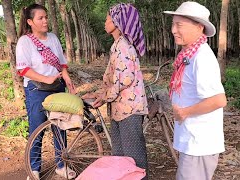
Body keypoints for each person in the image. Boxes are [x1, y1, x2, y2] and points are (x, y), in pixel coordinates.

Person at [83, 3, 149, 179]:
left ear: (118, 21)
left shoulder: (123, 47)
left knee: (133, 157)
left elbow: (123, 80)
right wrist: (100, 93)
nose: (105, 22)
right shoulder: (117, 45)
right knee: (120, 155)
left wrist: (104, 97)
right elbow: (112, 78)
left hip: (129, 109)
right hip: (119, 109)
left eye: (107, 18)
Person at [163, 1, 227, 180]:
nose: (173, 30)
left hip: (199, 143)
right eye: (173, 24)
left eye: (179, 25)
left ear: (199, 27)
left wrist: (184, 112)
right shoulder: (190, 54)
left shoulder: (202, 58)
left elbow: (218, 100)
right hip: (192, 140)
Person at [16, 4, 76, 180]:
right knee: (37, 129)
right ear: (30, 22)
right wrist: (46, 78)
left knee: (60, 126)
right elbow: (23, 69)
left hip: (58, 88)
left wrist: (67, 78)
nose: (45, 21)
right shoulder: (25, 42)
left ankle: (61, 165)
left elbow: (61, 63)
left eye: (46, 17)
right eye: (40, 18)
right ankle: (34, 168)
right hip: (36, 90)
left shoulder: (53, 38)